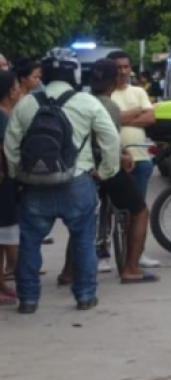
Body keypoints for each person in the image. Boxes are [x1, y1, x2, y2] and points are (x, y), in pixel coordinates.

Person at [4, 49, 119, 313]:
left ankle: (29, 299)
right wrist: (105, 171)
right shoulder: (87, 102)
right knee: (82, 239)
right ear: (74, 72)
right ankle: (85, 296)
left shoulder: (27, 103)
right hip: (77, 182)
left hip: (35, 186)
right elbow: (111, 139)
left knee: (30, 241)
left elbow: (11, 146)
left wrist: (17, 175)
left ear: (44, 72)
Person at [57, 59, 156, 285]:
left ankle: (68, 271)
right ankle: (131, 269)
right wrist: (115, 164)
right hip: (104, 168)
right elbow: (108, 142)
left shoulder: (78, 102)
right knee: (139, 211)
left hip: (80, 167)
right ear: (113, 82)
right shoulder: (108, 106)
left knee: (82, 218)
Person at [107, 50, 161, 270]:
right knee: (108, 211)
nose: (122, 71)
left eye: (126, 67)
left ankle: (137, 254)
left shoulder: (138, 91)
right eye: (118, 67)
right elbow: (109, 120)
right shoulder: (105, 93)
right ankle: (104, 254)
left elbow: (151, 118)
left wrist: (122, 117)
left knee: (138, 210)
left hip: (140, 159)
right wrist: (135, 113)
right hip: (112, 161)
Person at [0, 70, 22, 304]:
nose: (18, 91)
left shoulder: (7, 115)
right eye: (15, 87)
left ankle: (2, 283)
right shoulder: (3, 118)